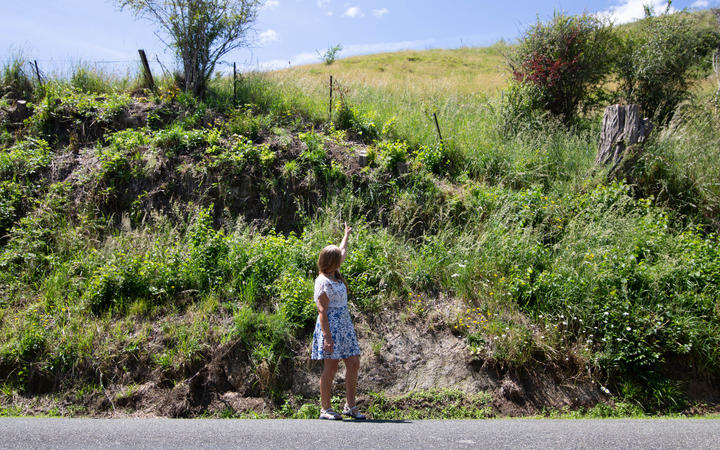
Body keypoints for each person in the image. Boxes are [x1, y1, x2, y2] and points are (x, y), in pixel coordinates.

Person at [311, 222, 366, 420]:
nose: (342, 260)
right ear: (331, 262)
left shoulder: (334, 273)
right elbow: (322, 312)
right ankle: (325, 408)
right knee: (331, 367)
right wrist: (326, 337)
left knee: (353, 362)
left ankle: (350, 406)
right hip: (331, 327)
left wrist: (346, 234)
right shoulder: (323, 281)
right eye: (338, 259)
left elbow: (342, 250)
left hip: (344, 324)